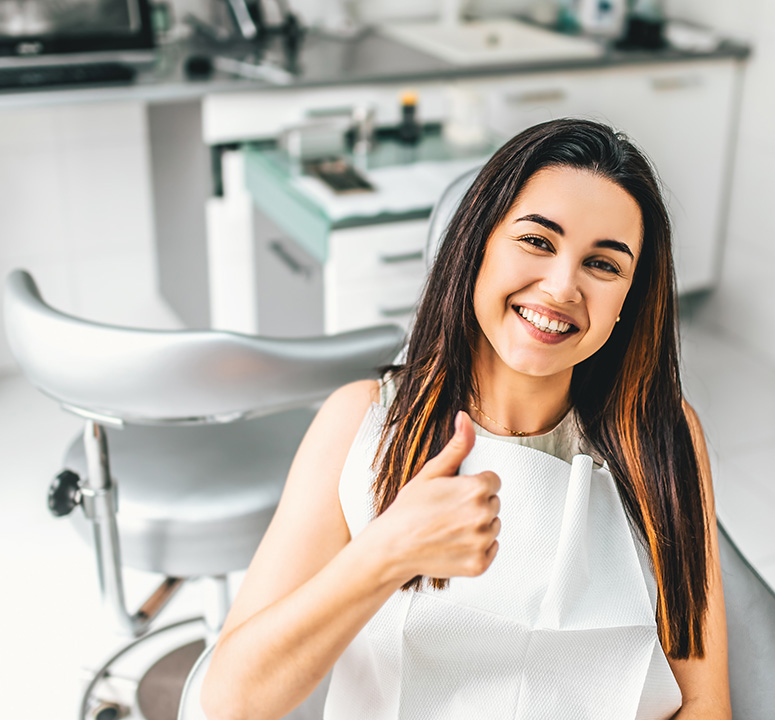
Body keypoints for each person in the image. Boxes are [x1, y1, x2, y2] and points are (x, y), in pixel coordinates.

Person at [201, 118, 731, 719]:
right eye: (537, 241)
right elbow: (229, 702)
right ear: (475, 245)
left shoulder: (661, 434)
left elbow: (703, 701)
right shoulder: (363, 424)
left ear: (628, 305)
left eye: (603, 265)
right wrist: (385, 554)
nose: (561, 287)